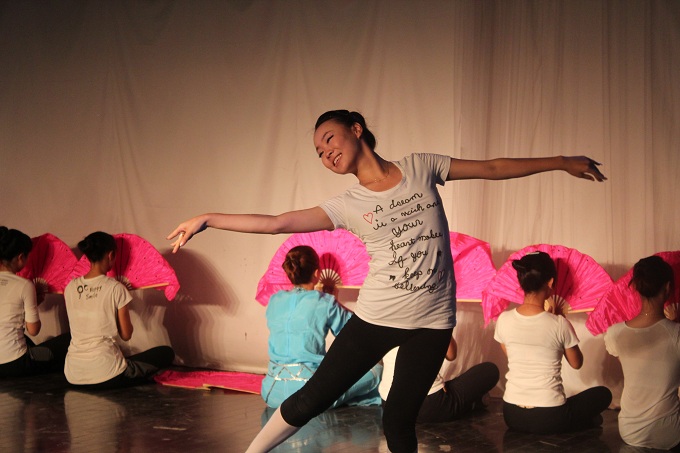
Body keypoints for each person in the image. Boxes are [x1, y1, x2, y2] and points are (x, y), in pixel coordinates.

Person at [167, 110, 607, 452]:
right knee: (311, 399)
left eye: (329, 139)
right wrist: (209, 218)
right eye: (318, 152)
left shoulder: (420, 167)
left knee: (398, 419)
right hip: (377, 318)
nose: (325, 153)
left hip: (432, 325)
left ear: (356, 129)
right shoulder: (347, 204)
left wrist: (561, 162)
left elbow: (491, 167)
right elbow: (278, 222)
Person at [494, 251, 612, 434]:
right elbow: (577, 363)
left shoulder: (503, 319)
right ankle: (583, 422)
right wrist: (561, 325)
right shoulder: (559, 324)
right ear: (550, 283)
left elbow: (512, 354)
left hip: (512, 415)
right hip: (549, 417)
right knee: (603, 394)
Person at [261, 245, 382, 408]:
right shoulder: (324, 301)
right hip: (310, 394)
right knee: (376, 370)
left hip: (270, 392)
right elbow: (354, 333)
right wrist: (333, 300)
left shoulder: (275, 300)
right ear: (317, 273)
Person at [63, 231, 175, 390]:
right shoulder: (116, 288)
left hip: (73, 374)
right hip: (107, 374)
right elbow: (126, 334)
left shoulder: (70, 287)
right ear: (111, 255)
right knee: (165, 353)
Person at [604, 255, 680, 450]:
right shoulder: (676, 334)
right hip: (670, 432)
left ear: (637, 287)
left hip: (629, 430)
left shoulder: (615, 333)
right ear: (668, 288)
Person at [0, 226, 70, 378]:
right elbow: (33, 330)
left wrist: (32, 303)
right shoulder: (24, 285)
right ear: (20, 257)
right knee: (68, 340)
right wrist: (34, 304)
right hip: (15, 364)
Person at [379, 335, 499, 423]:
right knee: (490, 370)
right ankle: (473, 404)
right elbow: (451, 355)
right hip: (428, 406)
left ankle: (472, 404)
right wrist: (446, 324)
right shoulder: (434, 317)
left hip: (390, 404)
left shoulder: (385, 319)